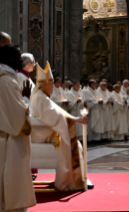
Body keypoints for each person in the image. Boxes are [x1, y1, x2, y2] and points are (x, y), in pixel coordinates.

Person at [30, 61, 89, 191]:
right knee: (75, 146)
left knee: (76, 145)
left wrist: (75, 119)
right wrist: (76, 120)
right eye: (51, 85)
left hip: (42, 131)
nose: (53, 88)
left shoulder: (39, 95)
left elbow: (57, 114)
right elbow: (57, 117)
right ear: (44, 84)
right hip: (42, 133)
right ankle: (68, 181)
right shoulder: (41, 98)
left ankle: (80, 177)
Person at [0, 44, 36, 212]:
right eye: (17, 56)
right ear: (8, 58)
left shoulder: (6, 77)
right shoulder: (6, 80)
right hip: (10, 139)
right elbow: (16, 116)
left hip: (7, 135)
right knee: (11, 180)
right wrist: (26, 99)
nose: (20, 59)